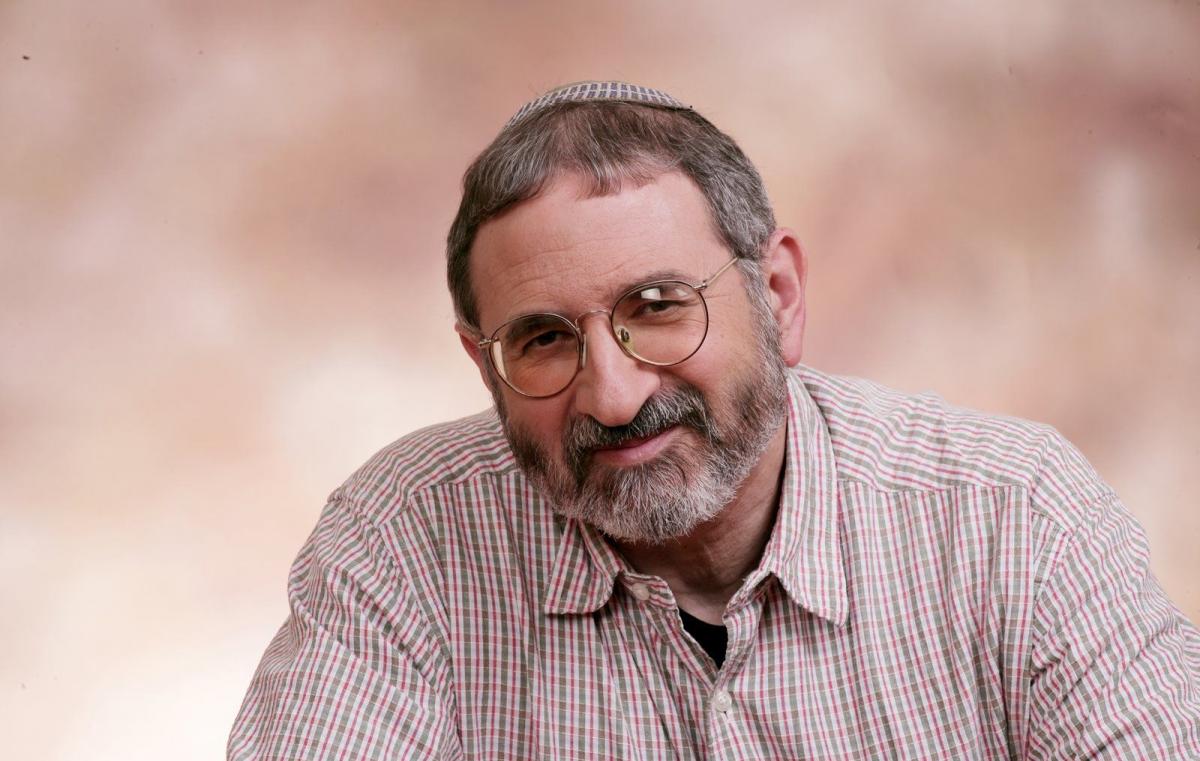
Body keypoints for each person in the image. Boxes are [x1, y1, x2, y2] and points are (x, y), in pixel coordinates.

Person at [229, 82, 1199, 759]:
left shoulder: (1015, 516)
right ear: (484, 364)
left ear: (778, 295)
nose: (613, 396)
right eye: (544, 339)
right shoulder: (405, 538)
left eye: (657, 305)